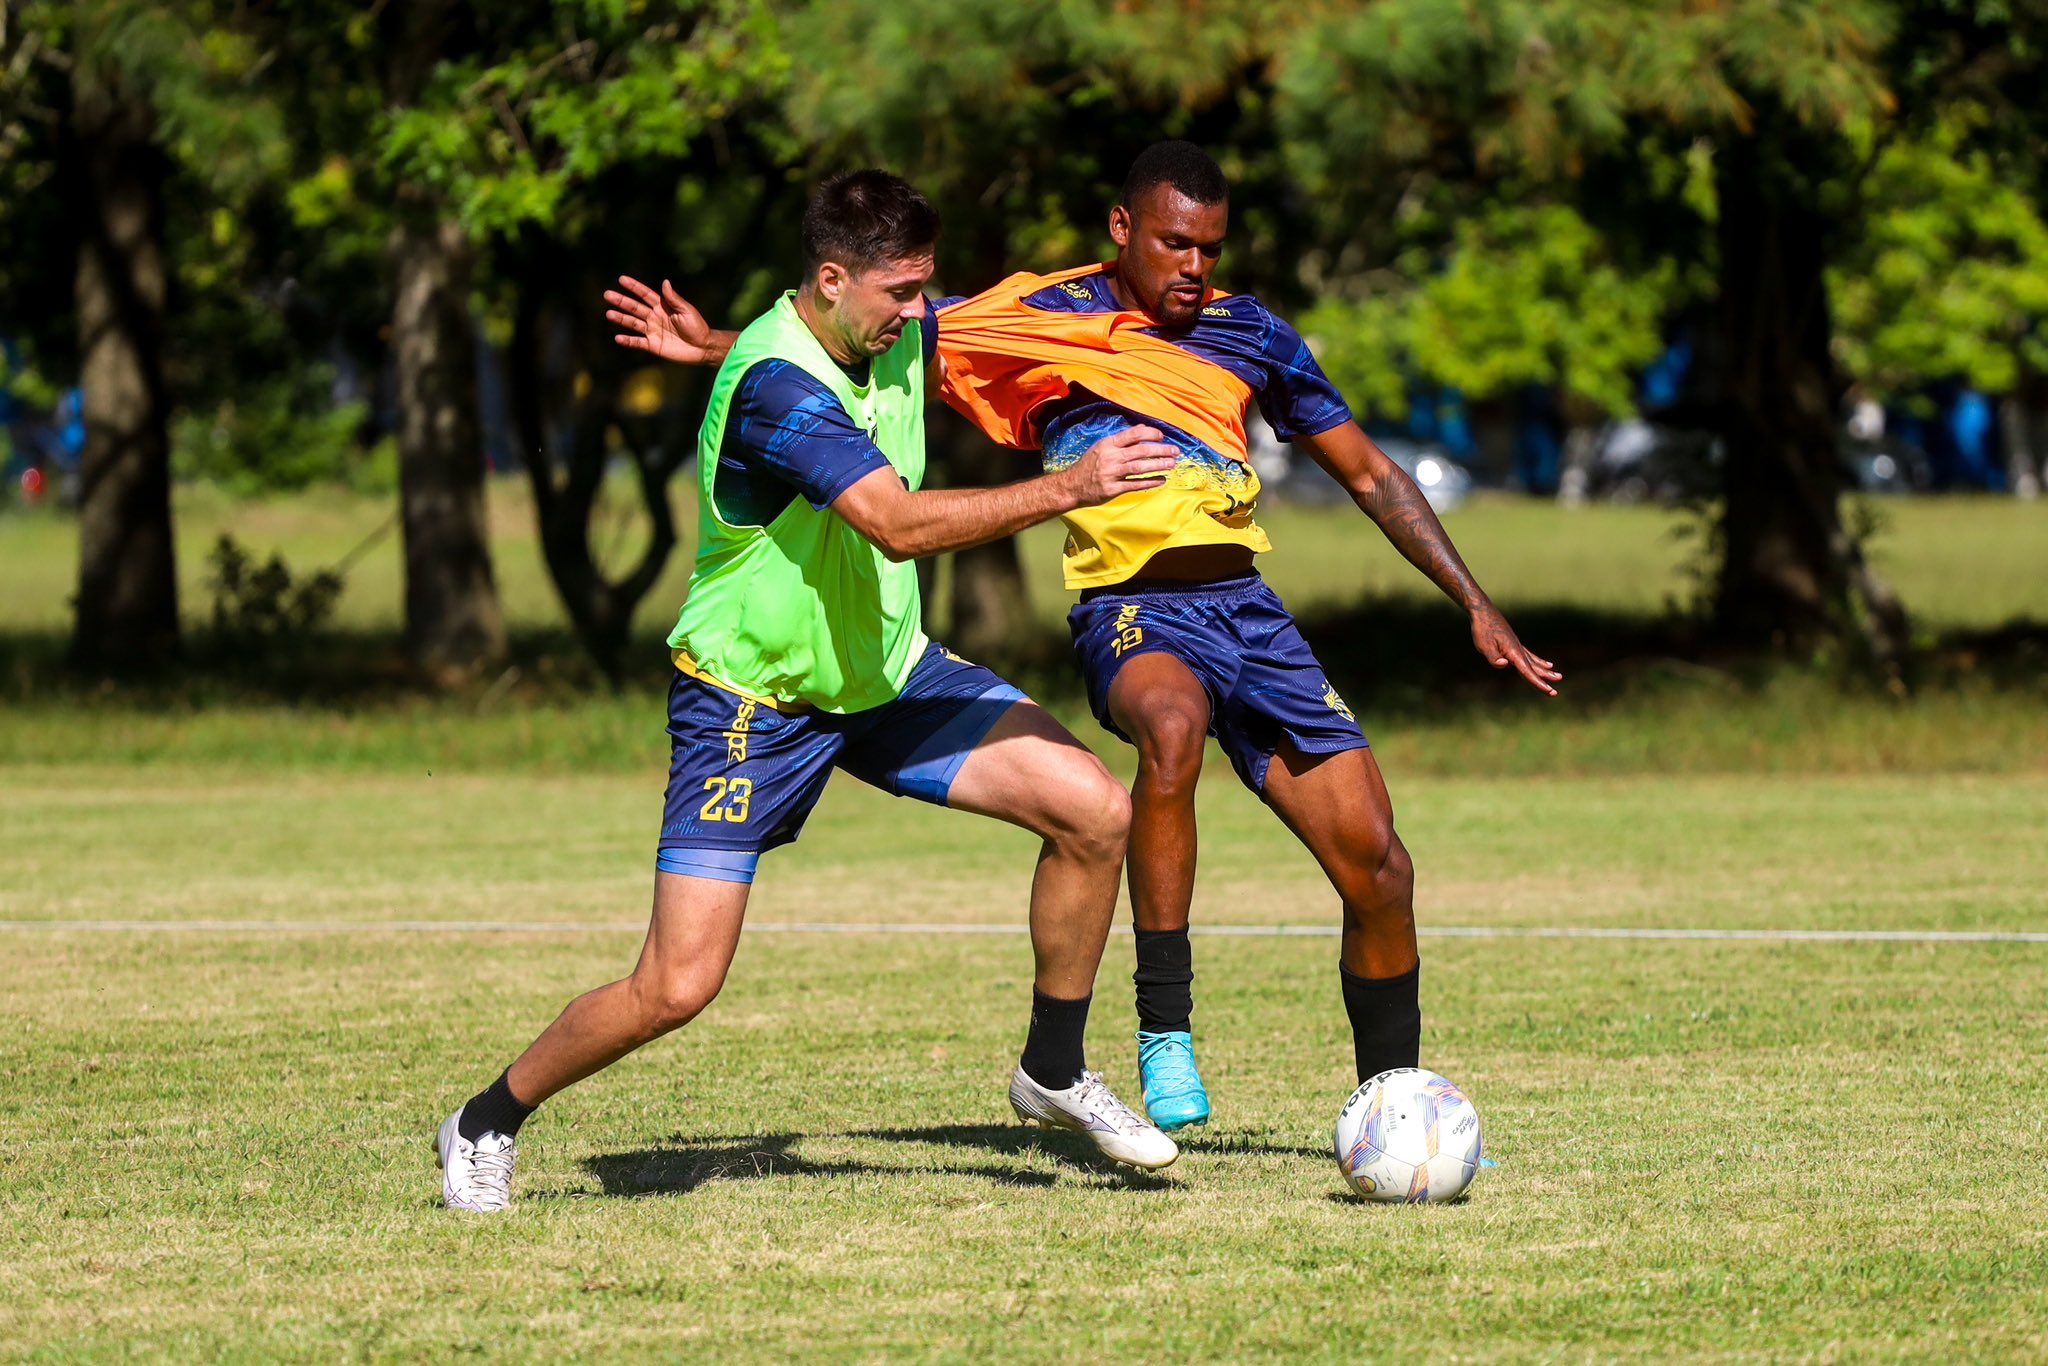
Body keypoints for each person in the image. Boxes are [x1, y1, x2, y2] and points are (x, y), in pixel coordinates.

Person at [609, 142, 1559, 1138]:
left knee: (1379, 867)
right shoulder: (1038, 314)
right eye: (1173, 243)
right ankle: (1163, 1028)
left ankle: (1392, 1109)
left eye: (1209, 247)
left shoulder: (1254, 334)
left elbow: (1368, 474)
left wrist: (1472, 600)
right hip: (1130, 609)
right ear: (1122, 229)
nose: (1193, 265)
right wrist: (716, 342)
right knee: (1170, 726)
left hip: (1247, 610)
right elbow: (866, 330)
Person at [437, 170, 1183, 1214]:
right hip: (754, 699)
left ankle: (1051, 1071)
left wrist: (709, 346)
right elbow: (896, 522)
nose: (920, 315)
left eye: (923, 289)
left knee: (1093, 811)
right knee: (675, 986)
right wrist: (1072, 485)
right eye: (899, 293)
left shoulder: (877, 325)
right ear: (832, 278)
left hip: (880, 671)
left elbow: (839, 345)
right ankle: (484, 1119)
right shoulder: (777, 390)